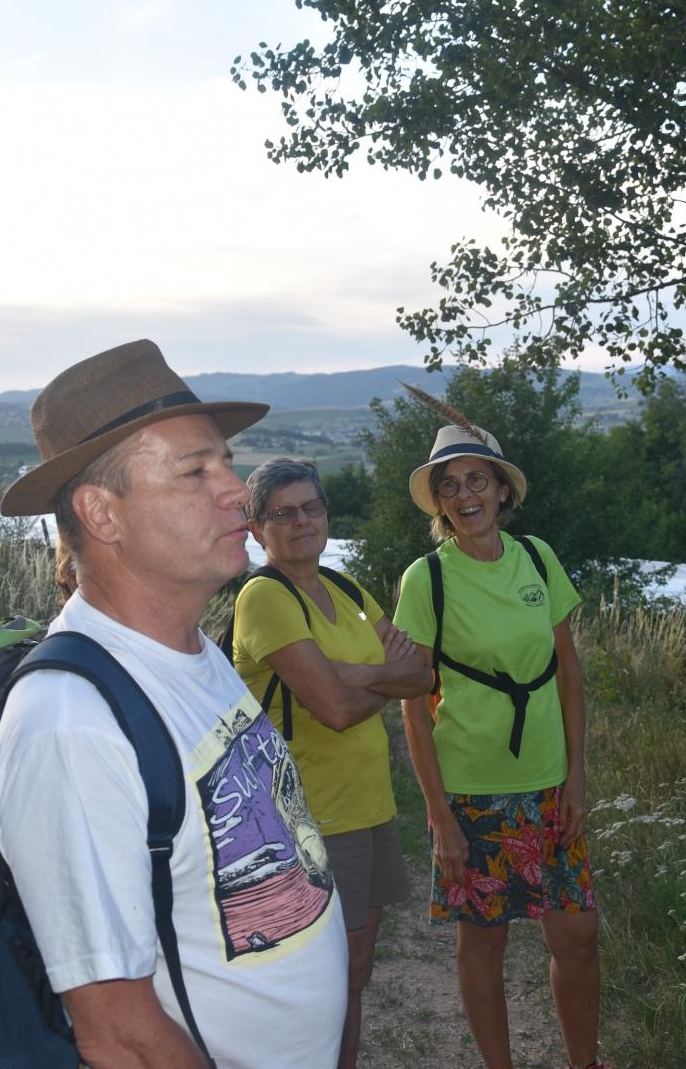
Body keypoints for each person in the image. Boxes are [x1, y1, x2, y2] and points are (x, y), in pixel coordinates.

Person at [0, 340, 348, 1068]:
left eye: (225, 461)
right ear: (102, 514)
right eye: (196, 470)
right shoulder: (72, 724)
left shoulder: (190, 648)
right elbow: (119, 1035)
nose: (235, 489)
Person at [390, 411, 607, 1069]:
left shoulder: (538, 558)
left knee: (577, 938)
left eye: (475, 479)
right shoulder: (426, 578)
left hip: (549, 787)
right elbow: (413, 705)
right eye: (449, 485)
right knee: (482, 944)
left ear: (501, 490)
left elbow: (567, 671)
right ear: (440, 504)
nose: (464, 495)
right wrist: (439, 815)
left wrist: (576, 775)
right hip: (473, 792)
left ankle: (583, 1062)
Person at [229, 456, 432, 1069]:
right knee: (315, 984)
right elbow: (337, 710)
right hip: (307, 819)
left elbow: (422, 671)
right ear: (256, 528)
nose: (300, 522)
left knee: (355, 972)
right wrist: (378, 677)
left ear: (326, 513)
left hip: (367, 806)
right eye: (282, 514)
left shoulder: (343, 587)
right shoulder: (265, 597)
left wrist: (348, 672)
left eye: (310, 507)